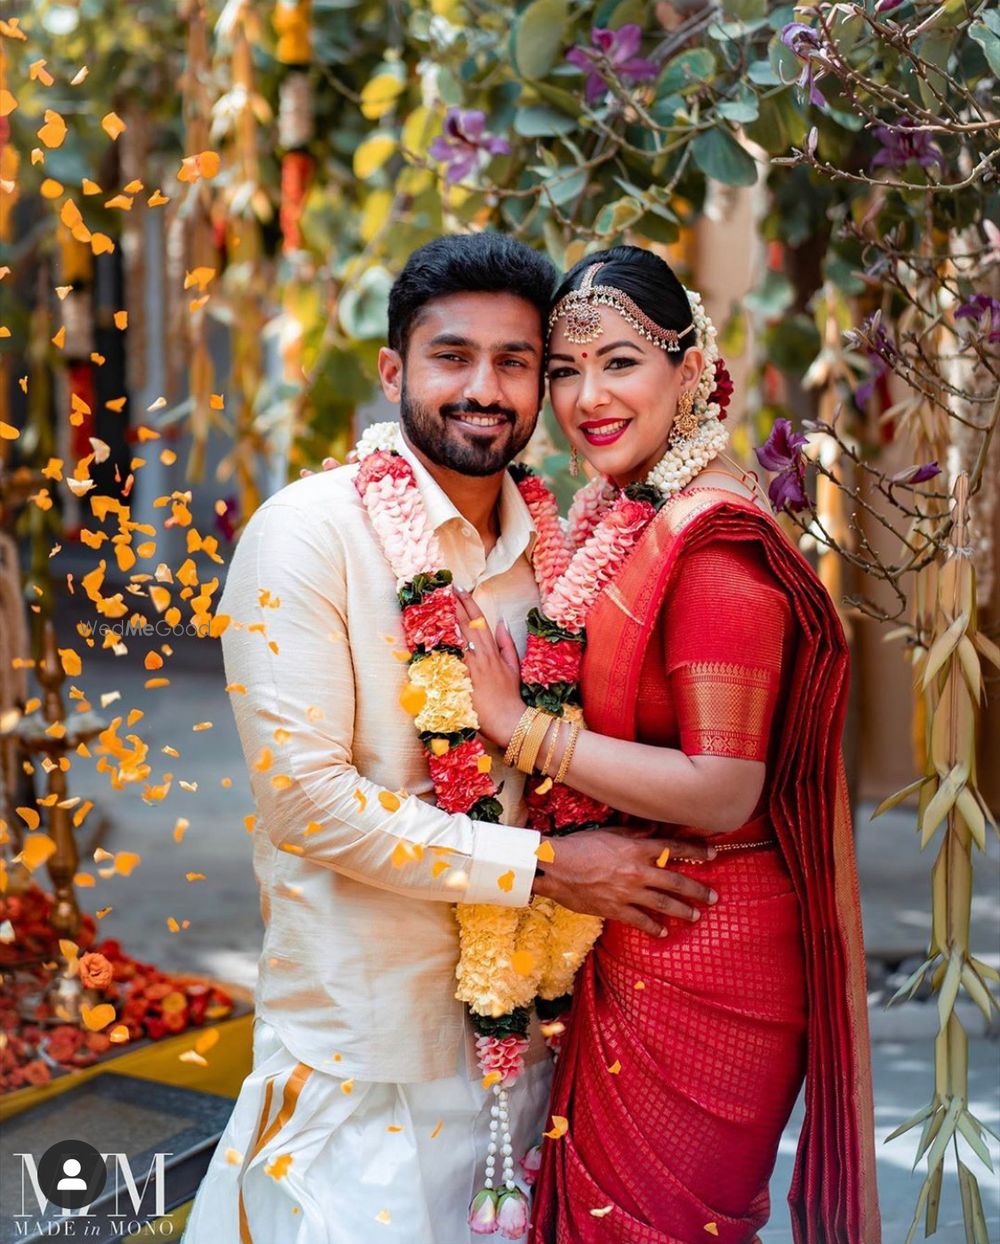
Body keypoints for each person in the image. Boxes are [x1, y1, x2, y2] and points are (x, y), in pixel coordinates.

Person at [182, 234, 718, 1244]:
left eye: (515, 362)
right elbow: (307, 803)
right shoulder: (307, 536)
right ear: (393, 370)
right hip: (364, 1053)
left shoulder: (556, 558)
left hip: (531, 1049)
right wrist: (551, 868)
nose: (485, 388)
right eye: (451, 356)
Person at [455, 245, 880, 1243]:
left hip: (708, 936)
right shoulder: (629, 508)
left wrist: (521, 727)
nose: (585, 397)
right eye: (564, 370)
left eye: (619, 362)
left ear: (690, 372)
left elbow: (725, 786)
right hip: (639, 917)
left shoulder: (712, 544)